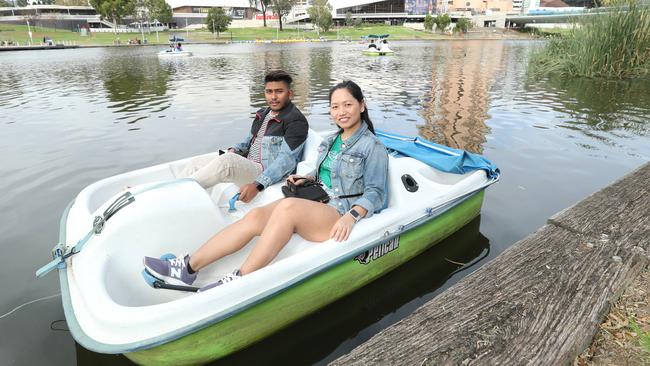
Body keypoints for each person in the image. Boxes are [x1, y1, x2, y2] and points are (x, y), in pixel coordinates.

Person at [143, 80, 389, 291]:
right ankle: (187, 267)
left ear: (361, 105)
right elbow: (329, 172)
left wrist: (352, 217)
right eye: (335, 106)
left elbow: (377, 193)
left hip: (339, 211)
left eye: (348, 104)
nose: (341, 112)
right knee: (256, 216)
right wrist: (309, 178)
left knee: (288, 207)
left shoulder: (371, 146)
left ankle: (240, 279)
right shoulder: (331, 140)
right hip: (318, 201)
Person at [176, 70, 309, 202]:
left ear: (290, 94)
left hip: (263, 171)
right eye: (269, 92)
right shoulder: (264, 114)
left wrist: (257, 185)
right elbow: (249, 141)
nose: (273, 97)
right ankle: (173, 191)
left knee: (227, 162)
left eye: (279, 91)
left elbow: (286, 160)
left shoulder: (295, 121)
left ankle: (178, 194)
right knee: (196, 163)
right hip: (249, 162)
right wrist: (234, 150)